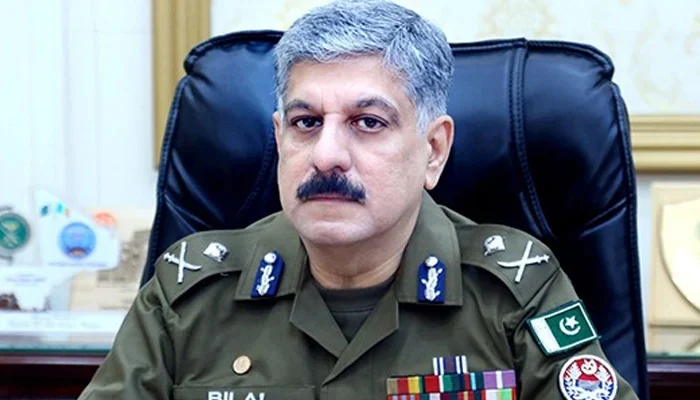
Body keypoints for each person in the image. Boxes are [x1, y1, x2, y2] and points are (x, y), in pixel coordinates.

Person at [79, 1, 640, 399]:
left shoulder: (515, 290)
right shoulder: (190, 293)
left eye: (368, 122)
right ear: (279, 137)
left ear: (434, 150)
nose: (326, 155)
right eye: (306, 122)